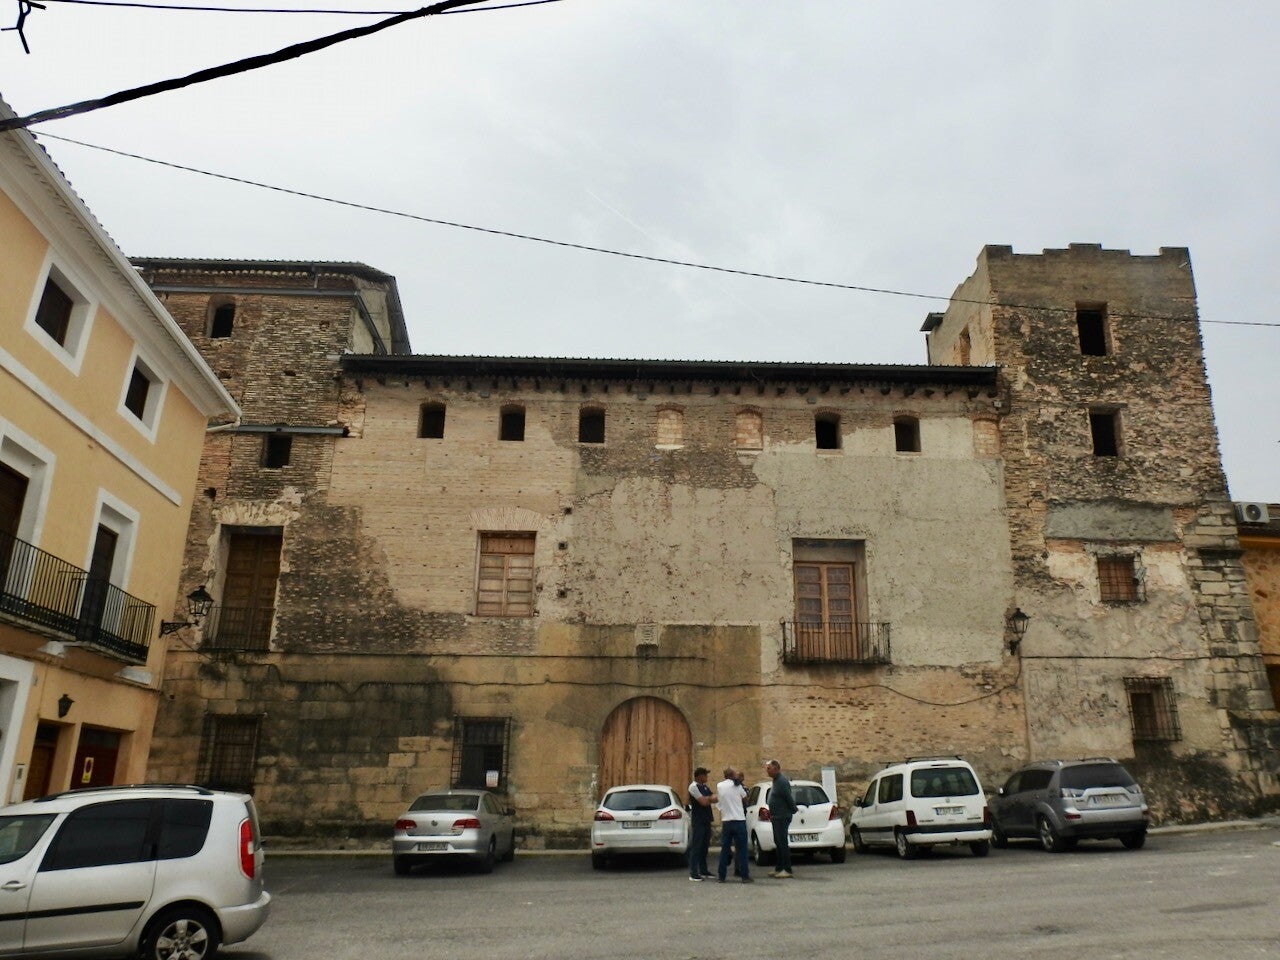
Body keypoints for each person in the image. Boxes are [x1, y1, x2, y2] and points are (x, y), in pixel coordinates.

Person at [716, 766, 752, 883]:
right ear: (732, 775)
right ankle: (744, 876)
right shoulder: (738, 786)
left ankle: (721, 876)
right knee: (742, 850)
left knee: (724, 849)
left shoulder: (719, 786)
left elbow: (720, 802)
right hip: (739, 820)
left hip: (726, 821)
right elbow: (746, 799)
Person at [765, 759, 798, 878]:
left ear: (776, 769)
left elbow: (788, 797)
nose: (767, 771)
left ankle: (787, 869)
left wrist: (793, 809)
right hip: (776, 816)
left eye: (769, 768)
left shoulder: (782, 781)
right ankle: (779, 867)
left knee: (782, 842)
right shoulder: (775, 781)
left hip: (782, 816)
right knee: (778, 842)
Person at [686, 767, 715, 881]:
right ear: (699, 776)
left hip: (706, 819)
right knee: (696, 846)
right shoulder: (693, 787)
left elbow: (714, 798)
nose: (707, 777)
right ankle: (693, 872)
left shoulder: (704, 787)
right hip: (698, 820)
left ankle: (703, 870)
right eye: (705, 775)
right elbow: (703, 802)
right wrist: (709, 799)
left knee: (704, 847)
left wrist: (708, 799)